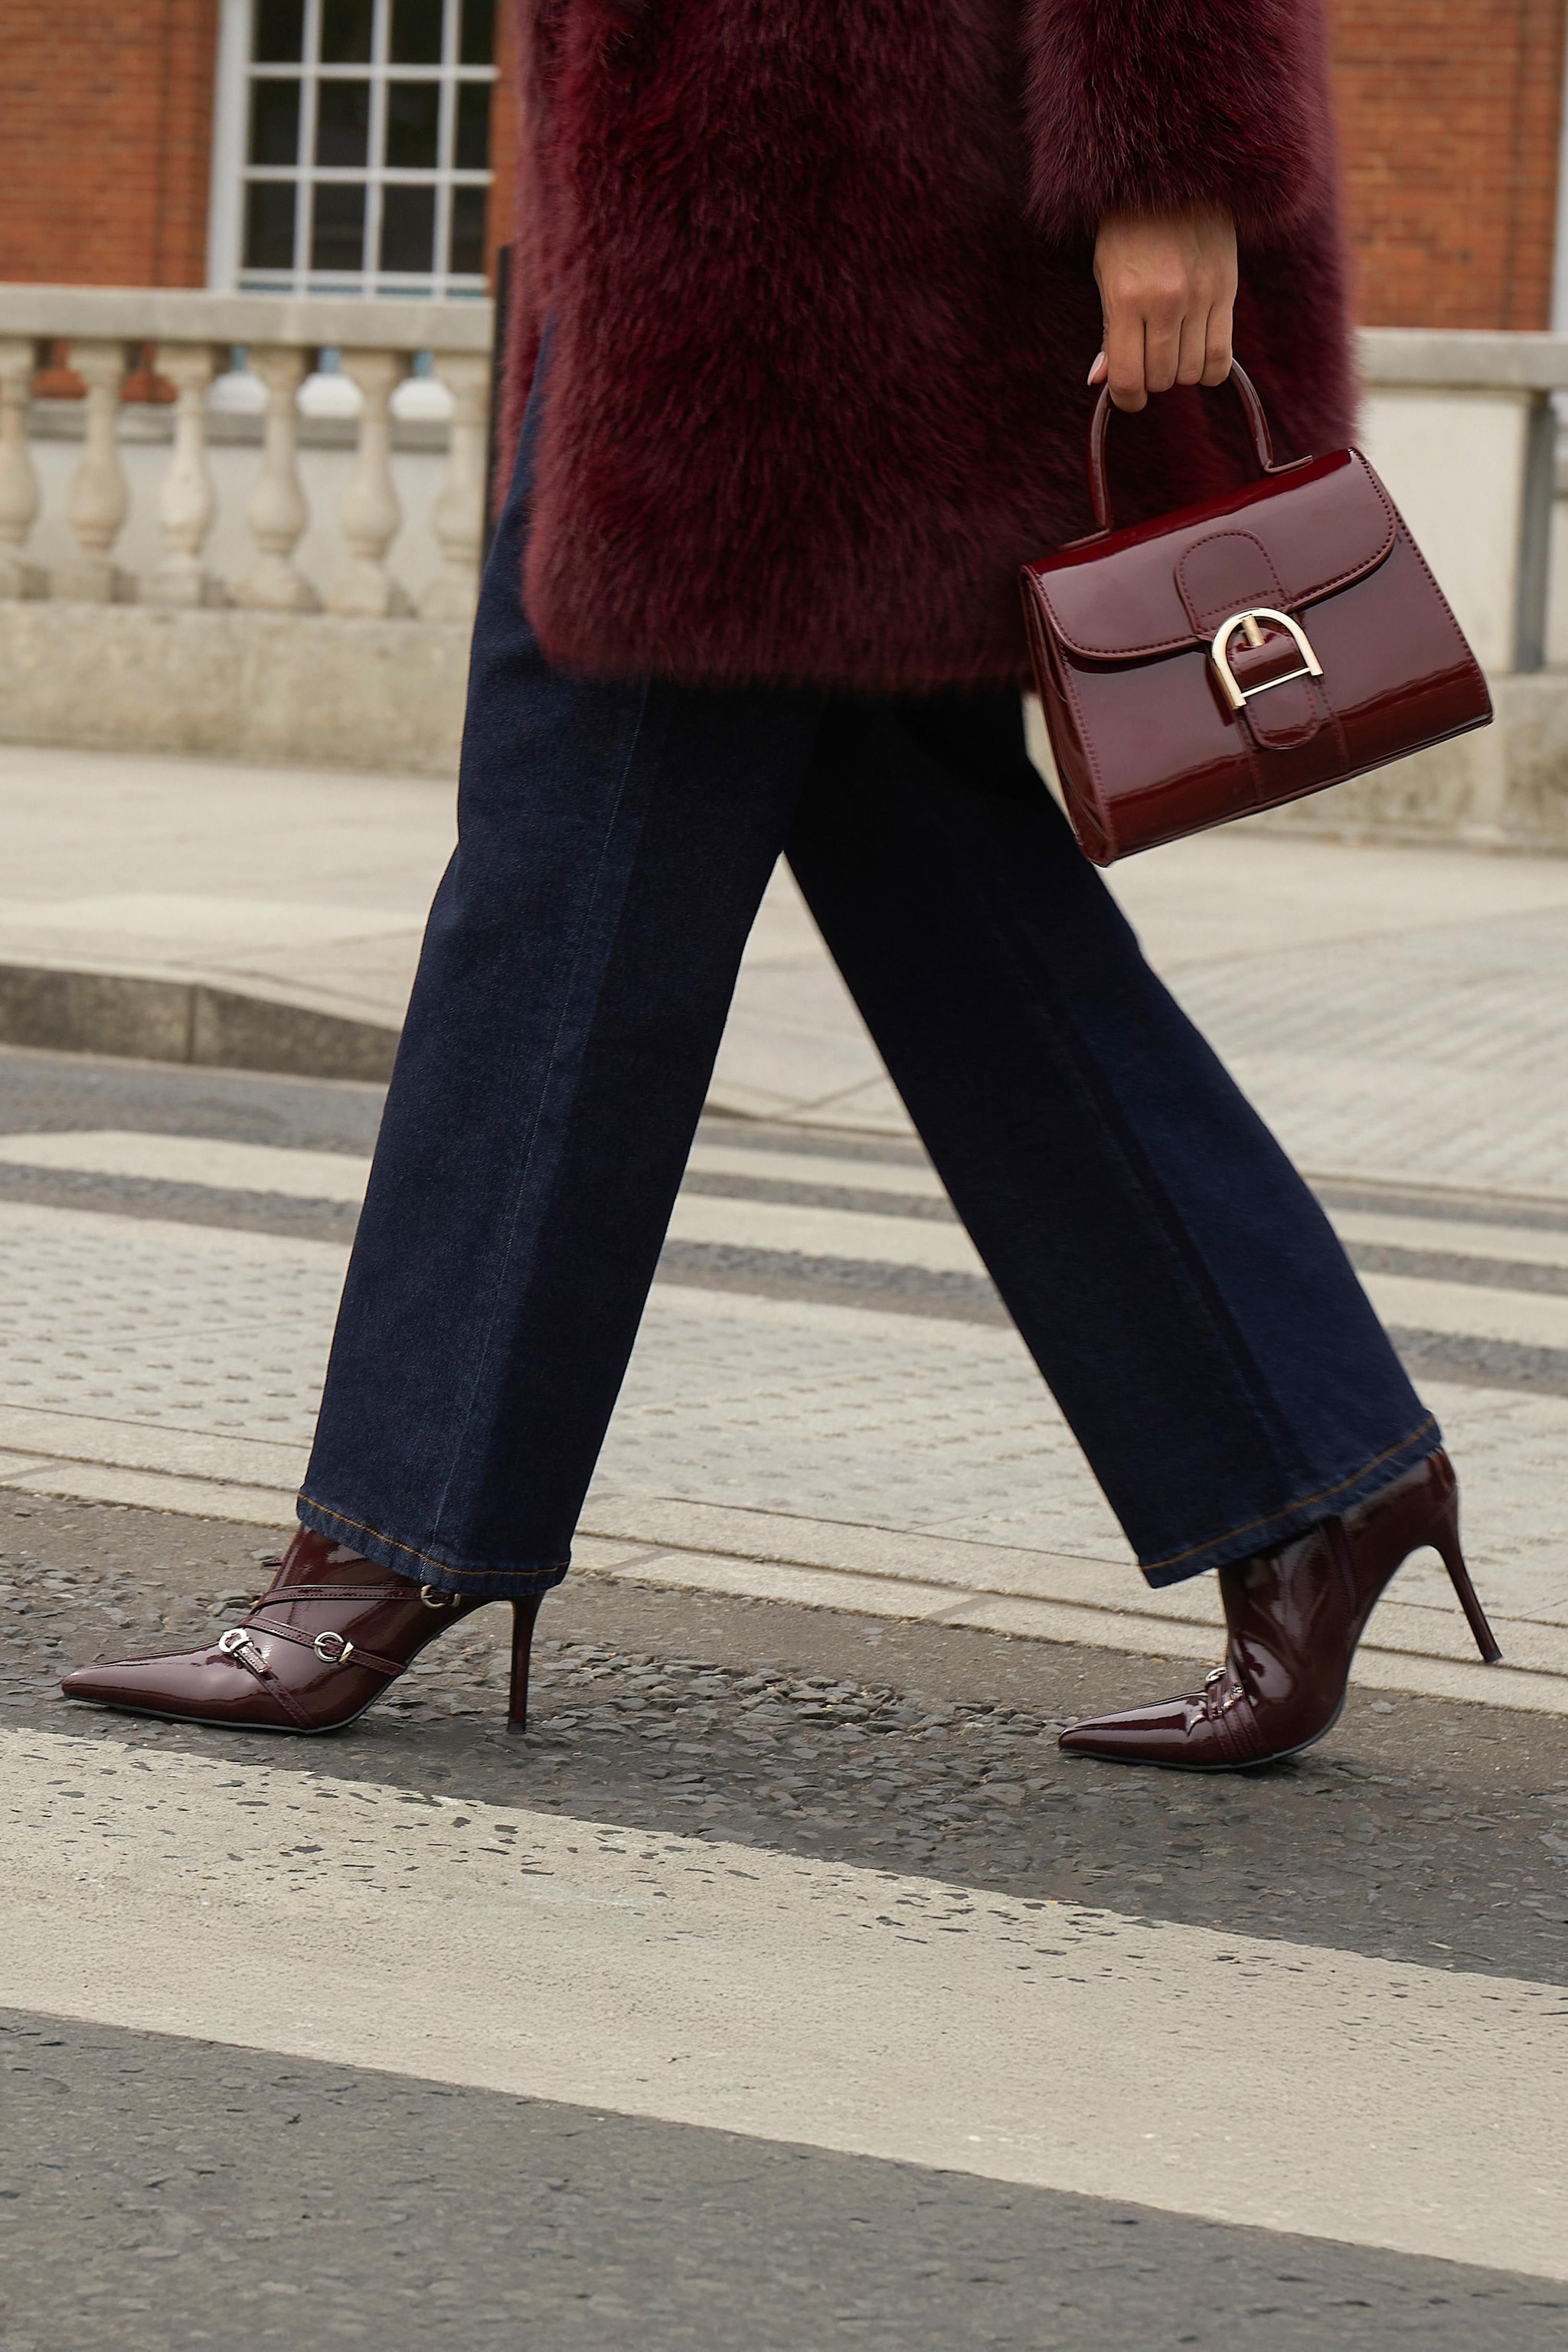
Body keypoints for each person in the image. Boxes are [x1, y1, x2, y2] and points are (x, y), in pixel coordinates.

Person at [64, 0, 1499, 1768]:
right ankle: (1310, 1475)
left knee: (566, 865)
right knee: (936, 884)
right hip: (703, 238)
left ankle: (392, 1540)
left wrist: (1175, 168)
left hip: (824, 239)